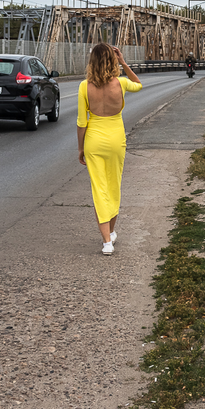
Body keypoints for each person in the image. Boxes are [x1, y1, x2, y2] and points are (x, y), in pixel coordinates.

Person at [77, 43, 142, 255]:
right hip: (116, 140)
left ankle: (107, 241)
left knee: (99, 189)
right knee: (114, 185)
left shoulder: (84, 87)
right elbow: (138, 84)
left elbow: (81, 122)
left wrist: (81, 148)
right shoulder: (121, 84)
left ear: (92, 62)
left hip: (93, 141)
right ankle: (111, 233)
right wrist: (123, 62)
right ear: (112, 61)